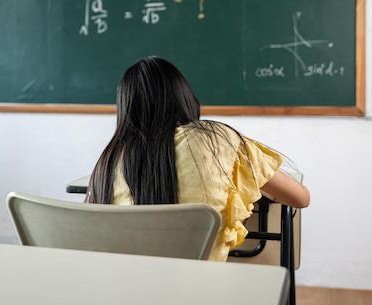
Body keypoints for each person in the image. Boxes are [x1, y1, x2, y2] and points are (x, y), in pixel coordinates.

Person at [85, 56, 310, 261]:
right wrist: (255, 182)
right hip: (200, 291)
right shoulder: (217, 140)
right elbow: (301, 198)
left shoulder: (107, 163)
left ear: (125, 108)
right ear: (183, 97)